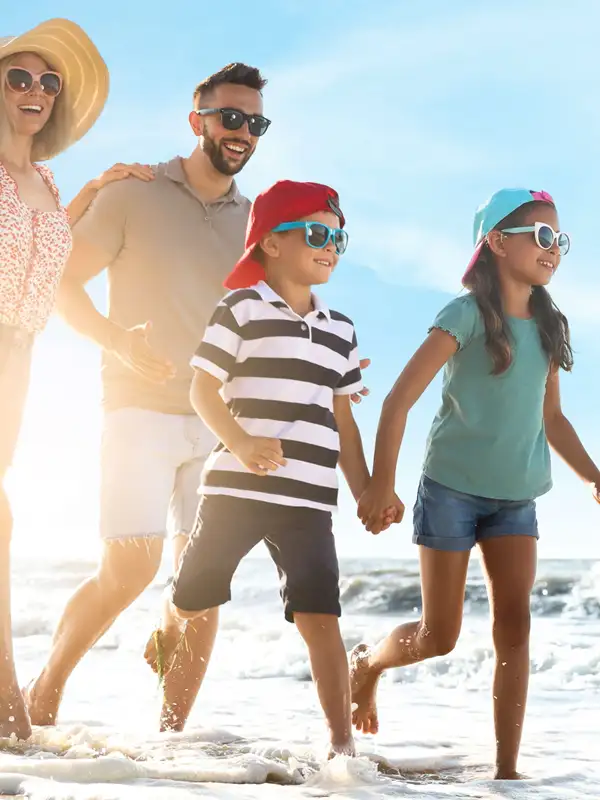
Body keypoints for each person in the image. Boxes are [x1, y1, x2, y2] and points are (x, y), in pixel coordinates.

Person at [26, 62, 370, 733]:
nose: (243, 131)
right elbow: (63, 283)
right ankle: (45, 693)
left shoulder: (260, 223)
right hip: (136, 406)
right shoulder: (136, 194)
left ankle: (170, 740)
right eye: (230, 117)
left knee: (201, 587)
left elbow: (288, 317)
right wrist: (115, 340)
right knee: (130, 567)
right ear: (198, 121)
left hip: (225, 429)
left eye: (255, 122)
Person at [143, 179, 402, 757]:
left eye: (339, 237)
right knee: (194, 600)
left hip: (308, 499)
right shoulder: (240, 308)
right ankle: (167, 708)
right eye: (317, 233)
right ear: (270, 243)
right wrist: (240, 443)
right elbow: (203, 390)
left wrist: (365, 491)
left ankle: (341, 751)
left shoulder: (341, 330)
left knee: (321, 616)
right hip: (236, 488)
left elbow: (345, 422)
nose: (330, 245)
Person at [352, 188, 600, 779]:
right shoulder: (463, 315)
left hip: (517, 497)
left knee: (515, 628)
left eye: (560, 240)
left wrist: (594, 476)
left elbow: (553, 419)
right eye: (542, 236)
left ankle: (506, 773)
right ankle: (366, 663)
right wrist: (381, 483)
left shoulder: (548, 324)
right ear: (495, 242)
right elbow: (396, 402)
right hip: (451, 491)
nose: (554, 249)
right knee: (440, 637)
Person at [0, 17, 140, 740]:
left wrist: (94, 189)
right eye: (19, 77)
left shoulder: (45, 180)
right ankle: (10, 710)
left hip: (21, 364)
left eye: (48, 81)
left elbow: (48, 258)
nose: (37, 91)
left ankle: (8, 711)